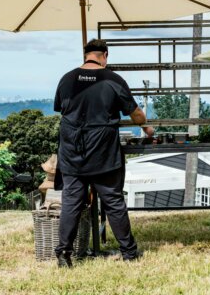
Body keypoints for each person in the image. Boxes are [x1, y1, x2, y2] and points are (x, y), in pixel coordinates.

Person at [53, 39, 154, 267]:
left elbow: (61, 108)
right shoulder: (113, 79)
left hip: (72, 151)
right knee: (113, 202)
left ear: (85, 54)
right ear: (105, 55)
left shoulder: (67, 79)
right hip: (103, 152)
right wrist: (146, 127)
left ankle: (63, 254)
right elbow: (135, 113)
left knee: (71, 203)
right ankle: (129, 253)